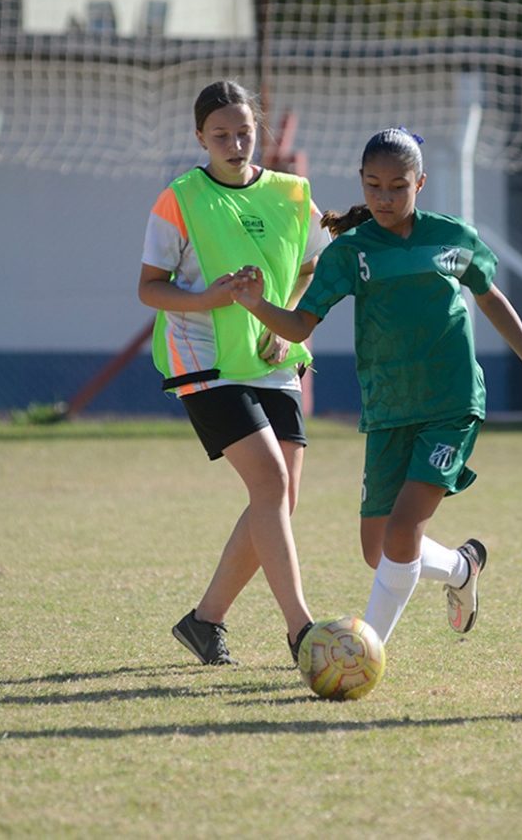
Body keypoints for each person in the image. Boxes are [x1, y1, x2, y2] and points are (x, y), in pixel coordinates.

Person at [229, 126, 522, 647]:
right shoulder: (351, 253)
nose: (384, 197)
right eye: (374, 185)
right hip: (387, 409)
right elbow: (299, 326)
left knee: (403, 532)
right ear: (361, 181)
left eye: (398, 186)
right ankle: (460, 568)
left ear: (420, 183)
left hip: (451, 403)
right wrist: (255, 305)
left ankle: (364, 650)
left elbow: (489, 296)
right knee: (377, 548)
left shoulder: (450, 239)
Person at [138, 80, 326, 666]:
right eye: (220, 134)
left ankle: (204, 621)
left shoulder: (293, 195)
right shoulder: (180, 197)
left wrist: (285, 322)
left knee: (281, 498)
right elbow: (149, 288)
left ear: (257, 131)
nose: (235, 142)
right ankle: (302, 630)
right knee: (269, 484)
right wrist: (210, 299)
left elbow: (317, 261)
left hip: (272, 359)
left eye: (244, 131)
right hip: (204, 358)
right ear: (200, 137)